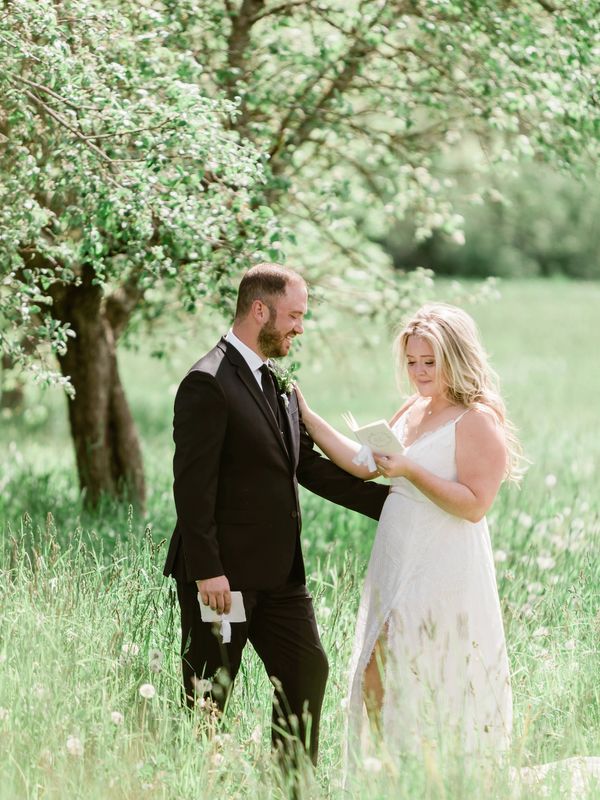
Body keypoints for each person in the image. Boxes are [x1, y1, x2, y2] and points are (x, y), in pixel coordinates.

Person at [162, 263, 388, 766]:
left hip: (283, 578)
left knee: (307, 671)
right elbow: (192, 490)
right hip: (225, 579)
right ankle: (200, 783)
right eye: (294, 315)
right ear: (259, 309)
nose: (300, 328)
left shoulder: (279, 384)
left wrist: (397, 504)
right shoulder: (206, 382)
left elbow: (305, 465)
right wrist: (208, 571)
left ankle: (290, 785)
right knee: (208, 694)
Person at [297, 302, 522, 762]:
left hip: (444, 558)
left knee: (428, 670)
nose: (419, 372)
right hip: (397, 556)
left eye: (430, 362)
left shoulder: (476, 418)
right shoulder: (413, 408)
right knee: (374, 670)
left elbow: (476, 505)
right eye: (412, 362)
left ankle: (432, 774)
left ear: (456, 358)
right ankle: (388, 771)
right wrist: (308, 417)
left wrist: (411, 471)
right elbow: (364, 464)